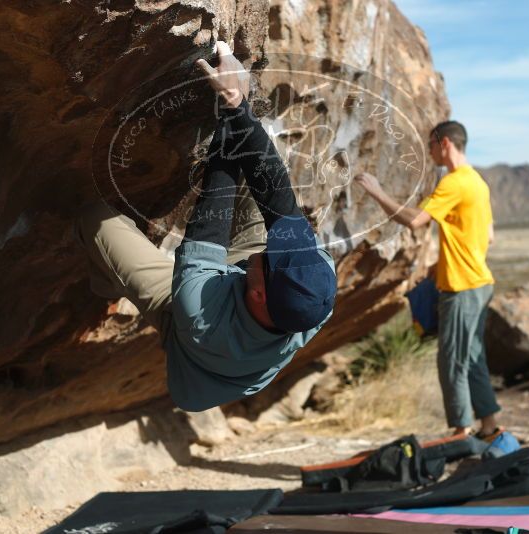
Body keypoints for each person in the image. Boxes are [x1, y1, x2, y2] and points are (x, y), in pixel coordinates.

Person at [75, 42, 337, 412]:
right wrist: (239, 107)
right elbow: (277, 199)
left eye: (271, 258)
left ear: (259, 294)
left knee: (95, 219)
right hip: (244, 309)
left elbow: (214, 205)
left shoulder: (200, 313)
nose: (271, 248)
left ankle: (106, 285)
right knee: (257, 170)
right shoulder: (316, 283)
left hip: (195, 356)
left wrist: (230, 106)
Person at [355, 121, 501, 439]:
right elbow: (487, 237)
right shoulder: (477, 182)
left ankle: (461, 432)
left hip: (462, 288)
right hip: (480, 284)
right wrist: (444, 262)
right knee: (472, 358)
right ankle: (489, 426)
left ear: (445, 143)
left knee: (452, 362)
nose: (429, 151)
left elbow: (416, 222)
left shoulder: (454, 182)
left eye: (431, 145)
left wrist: (377, 192)